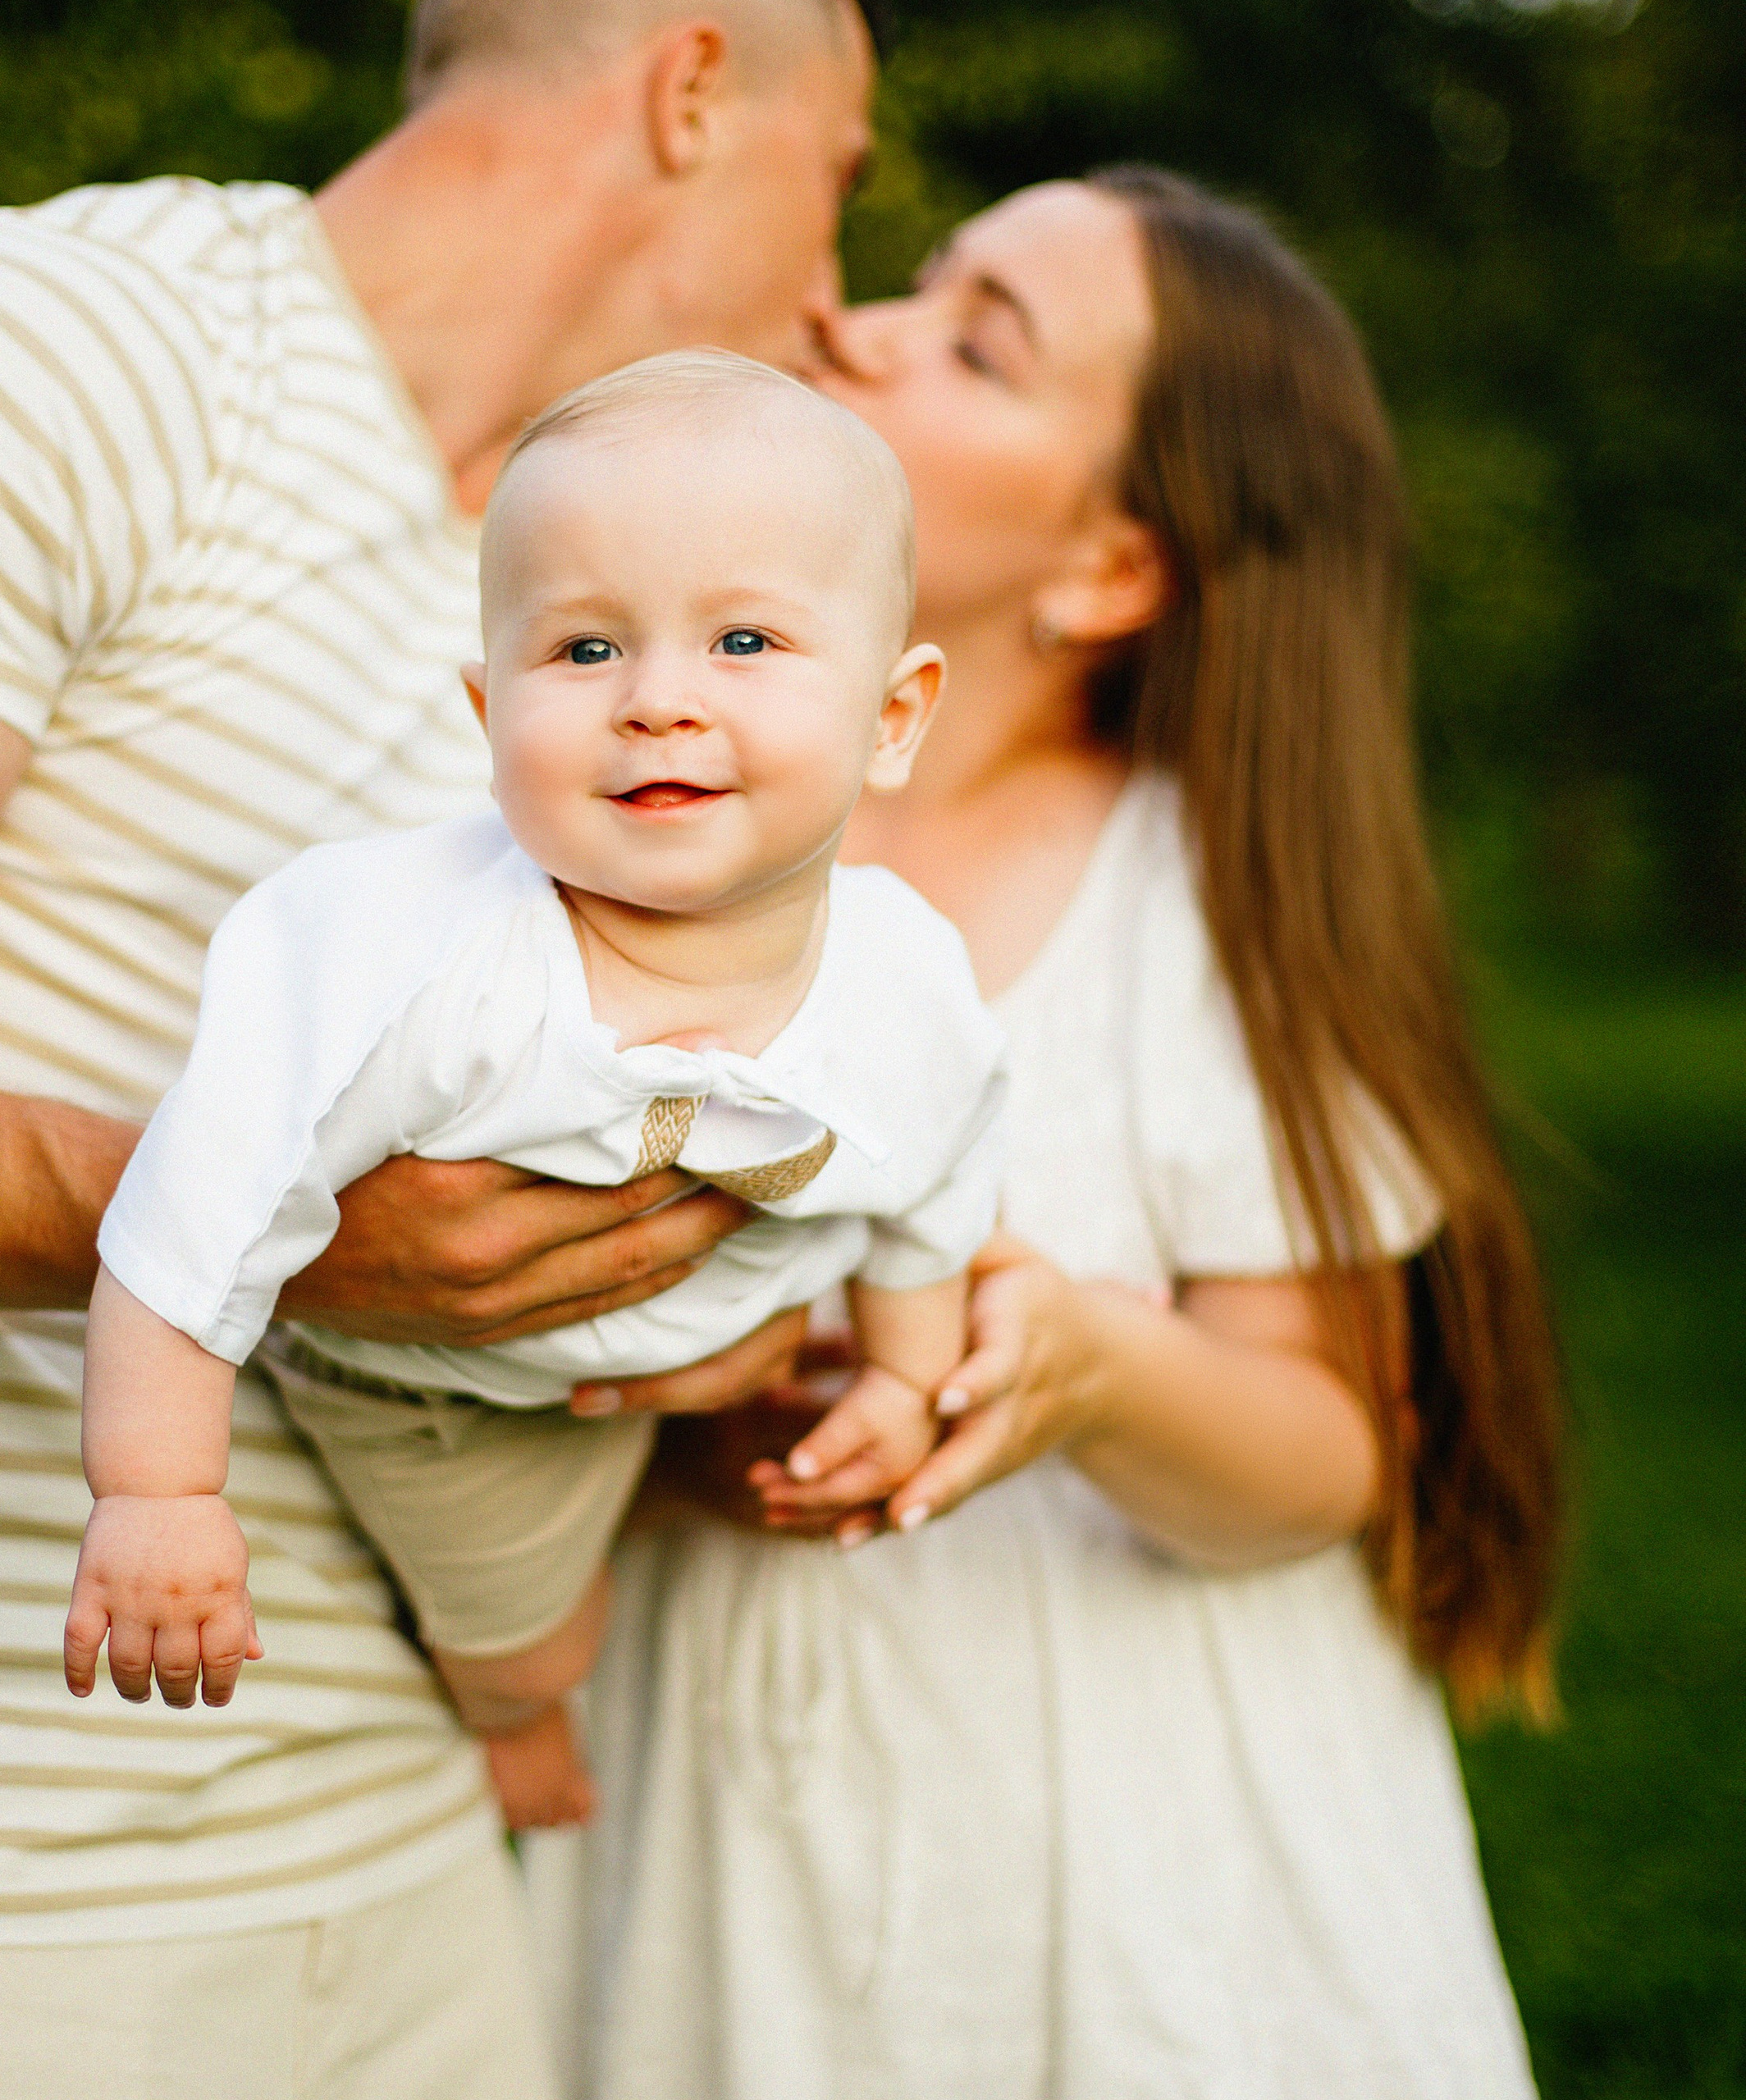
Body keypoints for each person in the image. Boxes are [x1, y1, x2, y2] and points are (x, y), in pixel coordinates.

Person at [0, 5, 874, 2095]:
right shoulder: (65, 347)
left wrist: (669, 1336)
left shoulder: (592, 620)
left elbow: (451, 1243)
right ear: (690, 90)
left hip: (401, 1853)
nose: (836, 303)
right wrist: (267, 1228)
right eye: (833, 187)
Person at [526, 169, 1561, 2098]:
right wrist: (671, 1427)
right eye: (918, 279)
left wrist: (1086, 1368)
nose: (855, 324)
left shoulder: (1201, 907)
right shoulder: (611, 822)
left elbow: (1327, 1452)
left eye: (975, 341)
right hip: (729, 1841)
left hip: (1144, 1883)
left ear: (1104, 566)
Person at [66, 352, 1005, 1832]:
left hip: (690, 1365)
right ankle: (511, 1719)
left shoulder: (912, 982)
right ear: (487, 707)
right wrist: (159, 1495)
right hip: (448, 1399)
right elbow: (198, 1210)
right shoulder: (406, 961)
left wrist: (902, 1374)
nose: (657, 702)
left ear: (893, 716)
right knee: (544, 1645)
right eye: (583, 650)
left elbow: (944, 1174)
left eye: (744, 640)